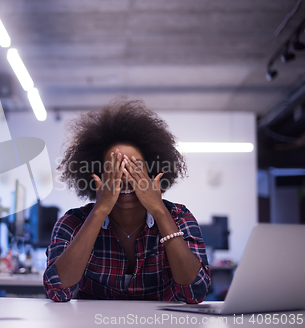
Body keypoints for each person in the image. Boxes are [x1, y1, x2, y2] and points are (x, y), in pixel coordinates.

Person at [44, 98, 211, 303]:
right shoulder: (73, 222)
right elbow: (57, 291)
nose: (124, 177)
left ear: (153, 173)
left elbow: (196, 292)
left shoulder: (179, 217)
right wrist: (99, 211)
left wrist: (159, 210)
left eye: (135, 167)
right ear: (96, 175)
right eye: (114, 168)